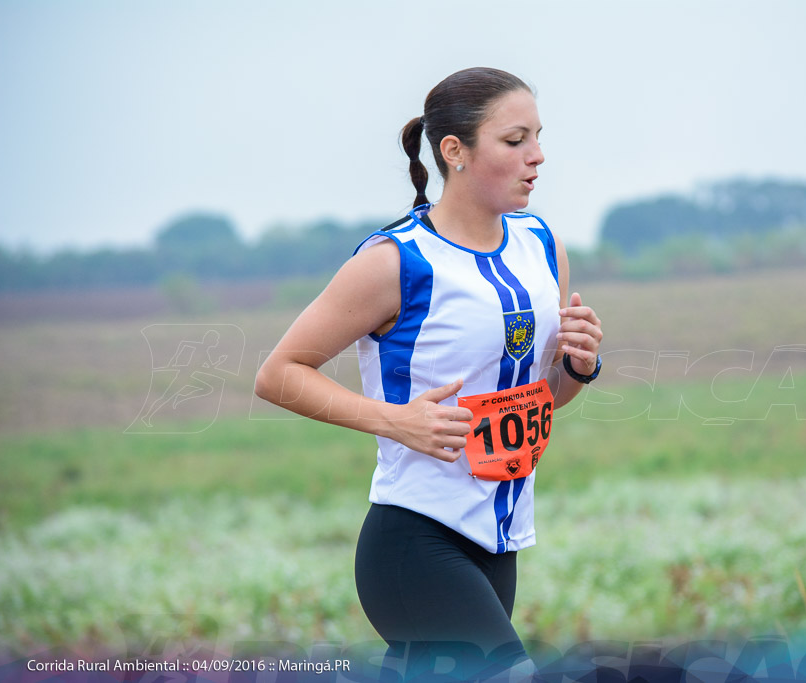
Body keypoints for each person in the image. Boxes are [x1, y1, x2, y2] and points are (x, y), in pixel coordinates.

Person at [254, 67, 604, 681]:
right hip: (415, 540)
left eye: (538, 138)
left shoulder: (542, 243)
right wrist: (397, 421)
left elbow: (545, 398)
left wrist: (581, 364)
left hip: (500, 540)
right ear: (455, 151)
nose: (538, 157)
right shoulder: (395, 260)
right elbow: (279, 373)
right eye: (516, 140)